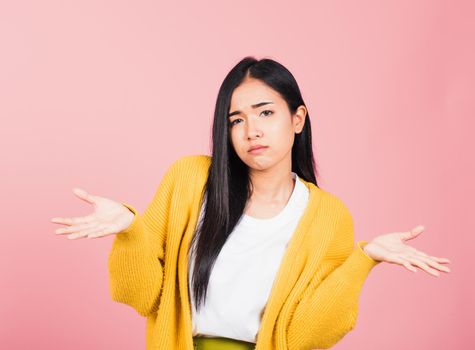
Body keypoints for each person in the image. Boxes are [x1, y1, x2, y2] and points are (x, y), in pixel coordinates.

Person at [51, 56, 451, 350]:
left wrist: (365, 259)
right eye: (236, 119)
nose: (251, 130)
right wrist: (130, 229)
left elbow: (302, 336)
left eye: (265, 113)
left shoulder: (327, 217)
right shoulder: (190, 180)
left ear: (297, 119)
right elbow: (141, 297)